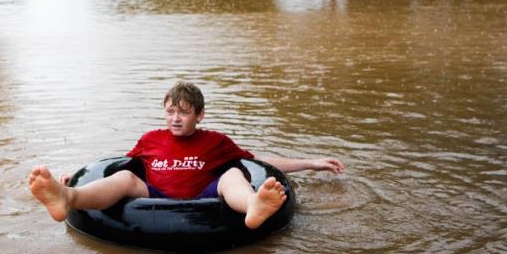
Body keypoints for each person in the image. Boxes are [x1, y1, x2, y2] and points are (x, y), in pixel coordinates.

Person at [28, 81, 344, 230]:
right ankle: (66, 197)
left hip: (202, 192)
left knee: (232, 175)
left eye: (183, 113)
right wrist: (76, 175)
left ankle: (253, 207)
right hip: (155, 192)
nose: (175, 119)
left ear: (199, 115)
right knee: (125, 178)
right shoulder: (150, 139)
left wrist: (310, 163)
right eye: (170, 112)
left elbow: (258, 163)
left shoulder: (216, 141)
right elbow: (115, 169)